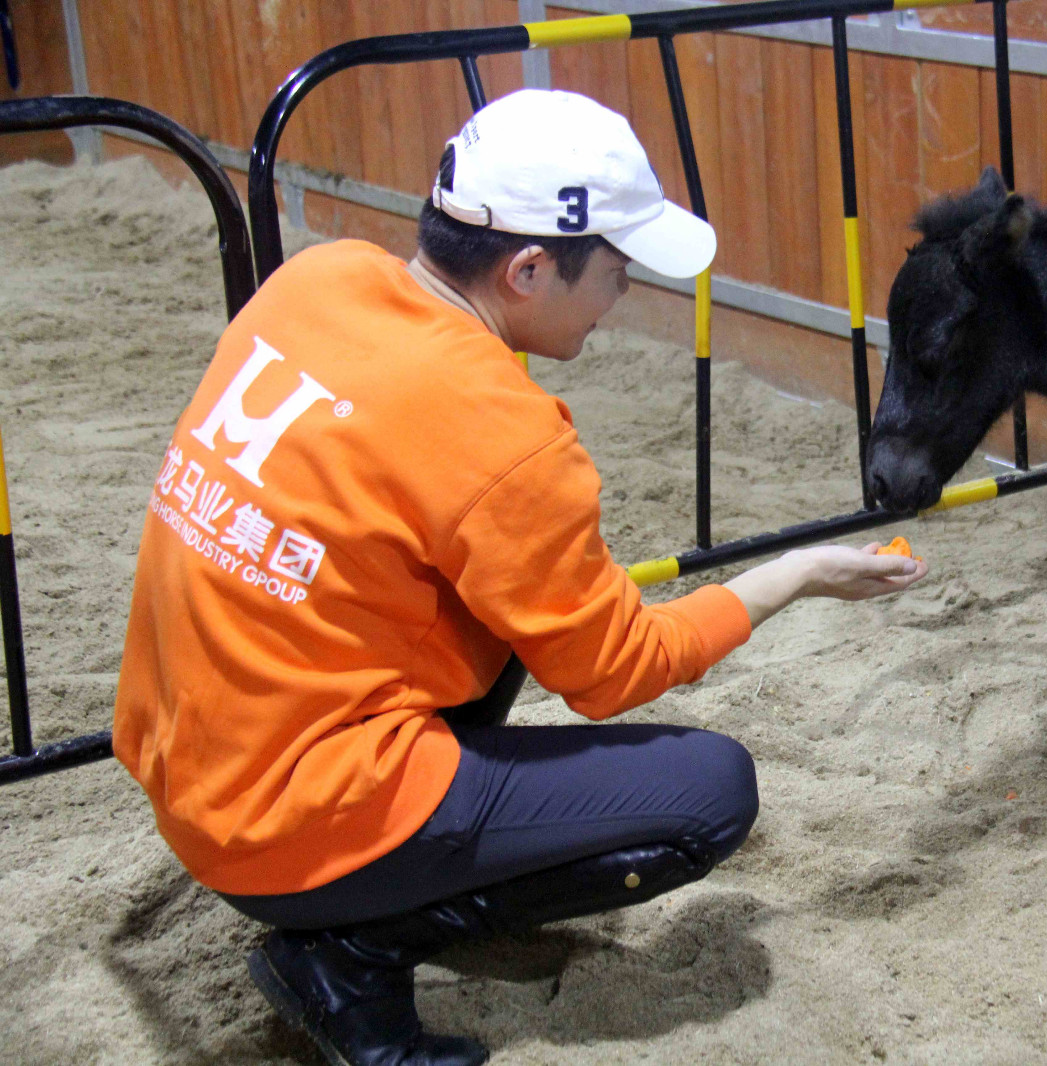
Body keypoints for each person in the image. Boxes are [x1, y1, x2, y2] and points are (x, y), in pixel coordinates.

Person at [112, 88, 927, 1066]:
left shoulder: (319, 279)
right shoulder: (504, 434)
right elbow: (615, 671)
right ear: (531, 268)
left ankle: (364, 896)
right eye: (616, 272)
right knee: (711, 791)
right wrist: (787, 578)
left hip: (185, 765)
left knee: (492, 619)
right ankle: (352, 950)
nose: (623, 296)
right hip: (280, 824)